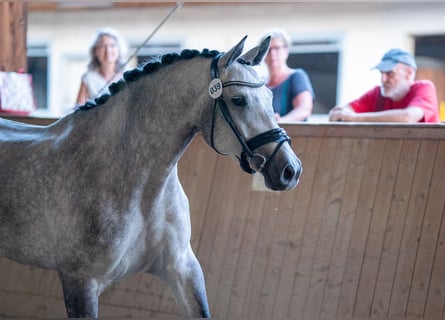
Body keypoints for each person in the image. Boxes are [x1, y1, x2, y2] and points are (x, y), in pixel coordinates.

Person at [329, 48, 439, 123]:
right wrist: (339, 114)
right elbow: (341, 112)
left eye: (390, 73)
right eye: (381, 73)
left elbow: (408, 117)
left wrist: (355, 118)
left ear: (409, 73)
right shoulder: (378, 93)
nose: (383, 79)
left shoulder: (424, 88)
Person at [260, 29, 315, 122]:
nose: (272, 54)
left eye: (277, 48)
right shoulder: (259, 83)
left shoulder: (297, 77)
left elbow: (304, 109)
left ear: (286, 51)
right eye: (268, 50)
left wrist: (281, 121)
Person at [75, 27, 127, 105]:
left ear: (119, 50)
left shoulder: (126, 75)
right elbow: (78, 109)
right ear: (95, 51)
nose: (108, 50)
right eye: (103, 46)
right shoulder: (88, 78)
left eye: (112, 45)